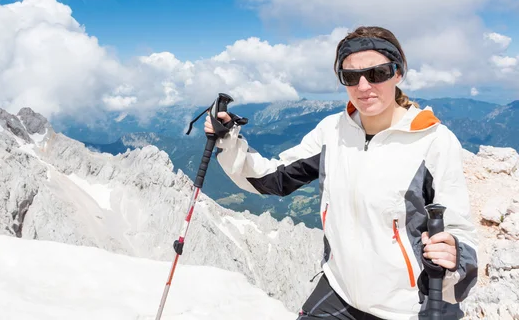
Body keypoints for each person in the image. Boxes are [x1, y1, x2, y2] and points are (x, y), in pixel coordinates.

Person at [204, 26, 479, 320]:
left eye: (377, 73)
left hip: (410, 304)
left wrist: (454, 256)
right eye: (350, 77)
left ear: (397, 73)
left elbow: (459, 230)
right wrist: (229, 140)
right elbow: (274, 179)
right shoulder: (332, 131)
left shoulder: (433, 140)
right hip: (340, 289)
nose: (363, 86)